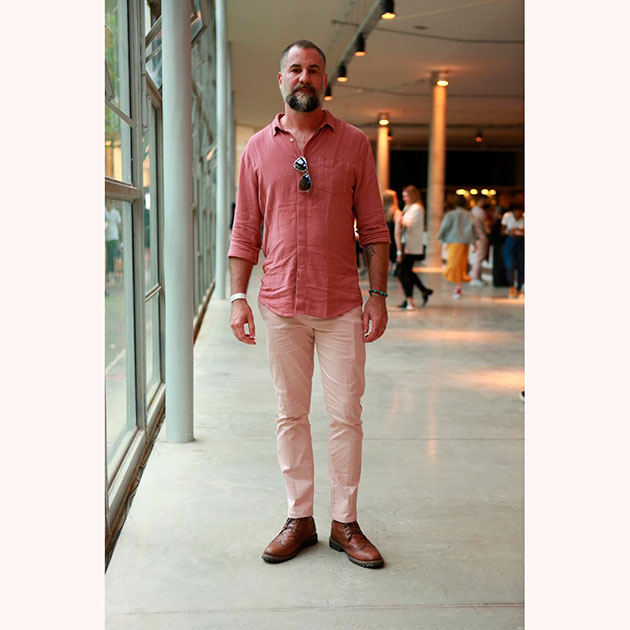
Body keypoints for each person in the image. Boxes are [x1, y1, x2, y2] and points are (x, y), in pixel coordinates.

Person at [228, 40, 390, 569]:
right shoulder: (257, 149)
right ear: (281, 79)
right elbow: (245, 230)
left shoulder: (355, 143)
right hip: (280, 304)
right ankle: (300, 518)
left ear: (325, 80)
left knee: (346, 416)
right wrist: (238, 296)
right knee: (290, 414)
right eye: (295, 69)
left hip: (341, 304)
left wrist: (378, 296)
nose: (304, 77)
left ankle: (345, 523)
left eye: (314, 69)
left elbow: (374, 227)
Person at [395, 185, 433, 310]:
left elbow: (408, 224)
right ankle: (420, 292)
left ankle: (411, 299)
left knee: (402, 273)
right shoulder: (408, 207)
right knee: (407, 272)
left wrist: (398, 217)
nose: (403, 198)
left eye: (406, 196)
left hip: (410, 246)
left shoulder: (417, 208)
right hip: (406, 244)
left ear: (412, 196)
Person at [437, 194, 479, 299]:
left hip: (454, 243)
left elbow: (444, 227)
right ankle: (458, 287)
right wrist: (474, 243)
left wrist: (440, 238)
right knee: (460, 265)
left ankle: (458, 287)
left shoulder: (451, 214)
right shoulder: (469, 215)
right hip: (465, 243)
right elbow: (474, 230)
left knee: (454, 265)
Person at [501, 201, 525, 298]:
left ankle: (519, 288)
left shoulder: (524, 217)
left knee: (521, 265)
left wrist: (520, 230)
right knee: (510, 264)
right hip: (510, 241)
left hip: (521, 241)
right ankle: (511, 286)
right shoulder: (507, 216)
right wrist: (509, 231)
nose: (518, 213)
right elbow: (502, 230)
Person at [469, 196, 491, 286]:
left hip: (476, 237)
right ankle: (475, 278)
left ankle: (477, 277)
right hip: (481, 237)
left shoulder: (473, 210)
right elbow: (487, 227)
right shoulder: (480, 211)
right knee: (479, 258)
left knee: (478, 258)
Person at [382, 189, 401, 275]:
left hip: (384, 242)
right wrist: (399, 251)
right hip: (394, 243)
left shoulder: (381, 212)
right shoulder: (396, 213)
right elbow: (397, 233)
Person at [105, 203, 122, 284]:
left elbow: (119, 225)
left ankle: (116, 274)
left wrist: (121, 238)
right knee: (109, 257)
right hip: (107, 238)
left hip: (115, 237)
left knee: (116, 256)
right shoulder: (104, 212)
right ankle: (111, 275)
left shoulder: (115, 213)